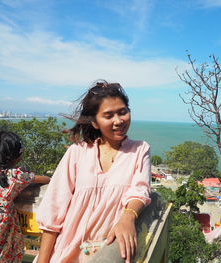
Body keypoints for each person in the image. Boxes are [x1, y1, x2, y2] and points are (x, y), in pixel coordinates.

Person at [35, 81, 152, 263]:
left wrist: (128, 217)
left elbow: (140, 189)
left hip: (106, 254)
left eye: (123, 112)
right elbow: (54, 209)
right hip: (64, 253)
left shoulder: (140, 150)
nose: (118, 121)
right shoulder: (77, 152)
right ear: (95, 123)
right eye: (108, 115)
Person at [0, 131, 50, 263]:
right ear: (17, 157)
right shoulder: (16, 175)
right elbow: (45, 179)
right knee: (7, 251)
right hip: (3, 222)